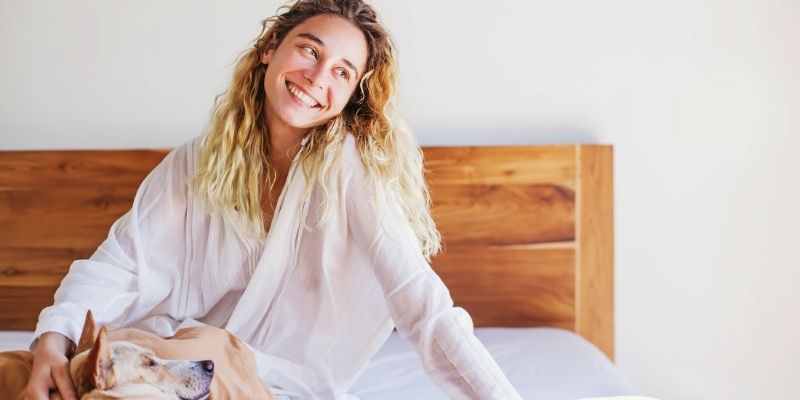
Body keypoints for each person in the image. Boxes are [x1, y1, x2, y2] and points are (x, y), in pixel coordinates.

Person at [19, 0, 523, 399]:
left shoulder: (351, 173)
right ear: (269, 48)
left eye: (343, 72)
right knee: (17, 371)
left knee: (202, 346)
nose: (317, 77)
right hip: (159, 354)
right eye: (310, 50)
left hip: (262, 378)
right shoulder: (197, 161)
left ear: (351, 98)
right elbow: (120, 265)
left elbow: (424, 308)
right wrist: (52, 343)